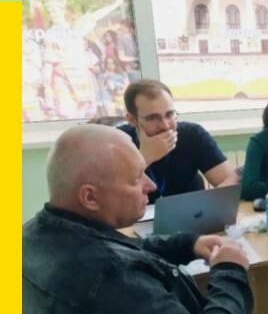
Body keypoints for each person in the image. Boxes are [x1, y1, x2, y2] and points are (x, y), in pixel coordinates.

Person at [22, 125, 253, 313]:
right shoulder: (117, 279)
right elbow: (117, 261)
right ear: (90, 197)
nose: (150, 186)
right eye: (135, 179)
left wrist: (188, 244)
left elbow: (123, 248)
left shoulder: (32, 235)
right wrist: (229, 271)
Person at [119, 80, 239, 204]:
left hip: (192, 213)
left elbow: (232, 182)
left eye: (169, 114)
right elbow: (112, 200)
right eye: (153, 118)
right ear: (132, 119)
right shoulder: (118, 141)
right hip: (139, 217)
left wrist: (208, 203)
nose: (165, 126)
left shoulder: (192, 135)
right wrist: (144, 158)